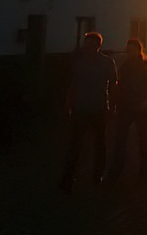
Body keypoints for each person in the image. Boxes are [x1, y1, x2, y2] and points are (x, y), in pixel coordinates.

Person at [59, 31, 118, 192]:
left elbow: (113, 85)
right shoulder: (80, 62)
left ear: (97, 45)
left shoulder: (107, 62)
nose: (87, 47)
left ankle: (97, 174)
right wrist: (68, 103)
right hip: (81, 107)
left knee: (99, 143)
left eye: (90, 44)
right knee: (75, 144)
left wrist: (112, 107)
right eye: (86, 44)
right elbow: (74, 83)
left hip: (99, 107)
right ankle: (69, 176)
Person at [108, 39, 147, 182]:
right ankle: (117, 169)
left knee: (143, 141)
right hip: (126, 106)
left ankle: (144, 171)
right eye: (128, 50)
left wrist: (145, 102)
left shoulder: (145, 65)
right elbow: (119, 85)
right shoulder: (125, 66)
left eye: (132, 50)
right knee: (120, 139)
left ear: (138, 50)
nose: (130, 53)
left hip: (140, 107)